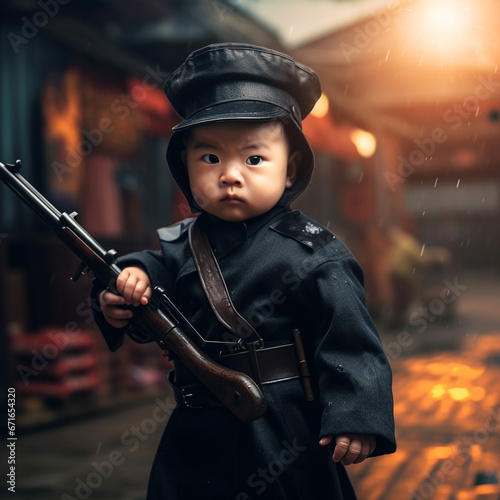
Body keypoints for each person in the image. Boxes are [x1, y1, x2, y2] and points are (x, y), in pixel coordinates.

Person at [92, 43, 396, 500]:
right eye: (210, 158)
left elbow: (351, 342)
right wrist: (126, 286)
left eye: (254, 159)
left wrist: (356, 417)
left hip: (284, 428)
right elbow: (152, 281)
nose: (230, 175)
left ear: (290, 169)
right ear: (185, 167)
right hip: (196, 435)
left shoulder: (313, 253)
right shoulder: (180, 245)